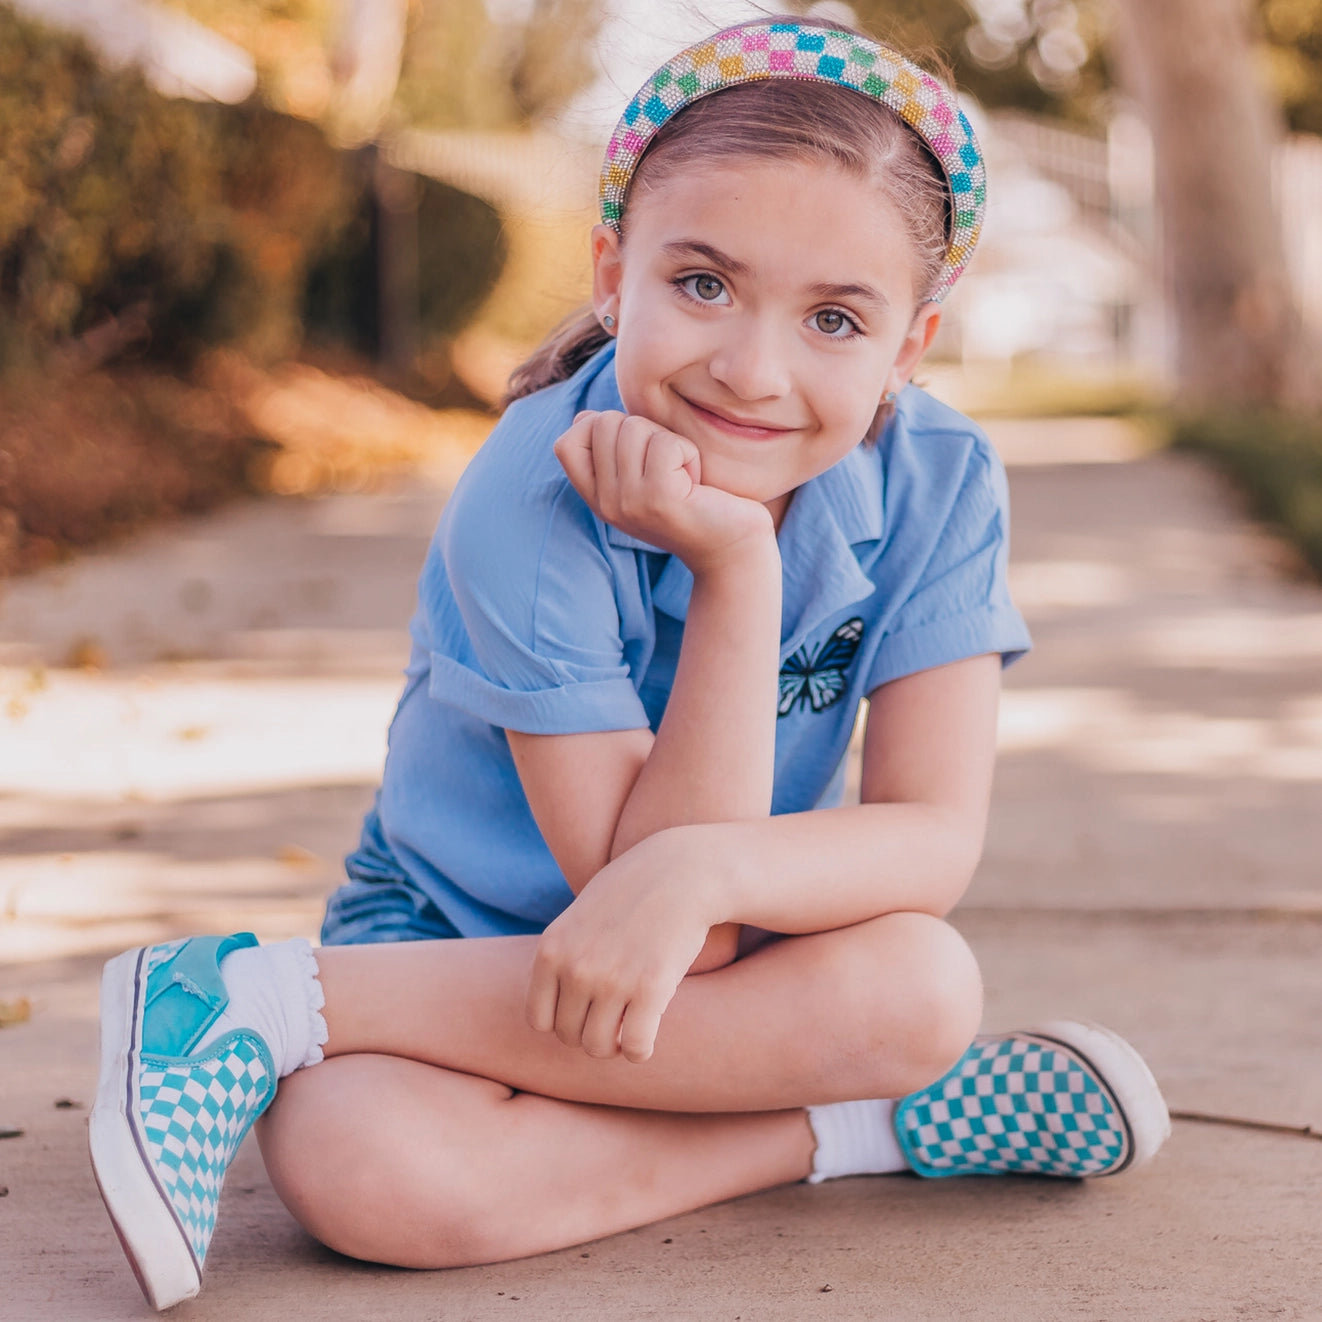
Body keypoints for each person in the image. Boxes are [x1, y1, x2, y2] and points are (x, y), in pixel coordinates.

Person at [89, 16, 1170, 1312]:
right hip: (448, 949)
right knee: (366, 1174)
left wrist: (721, 842)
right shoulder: (528, 494)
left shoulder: (938, 479)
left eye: (834, 317)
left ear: (910, 345)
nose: (752, 369)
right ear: (614, 271)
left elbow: (922, 836)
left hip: (715, 952)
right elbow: (634, 900)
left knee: (924, 983)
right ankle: (863, 1123)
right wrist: (737, 574)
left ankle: (275, 1001)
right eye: (702, 284)